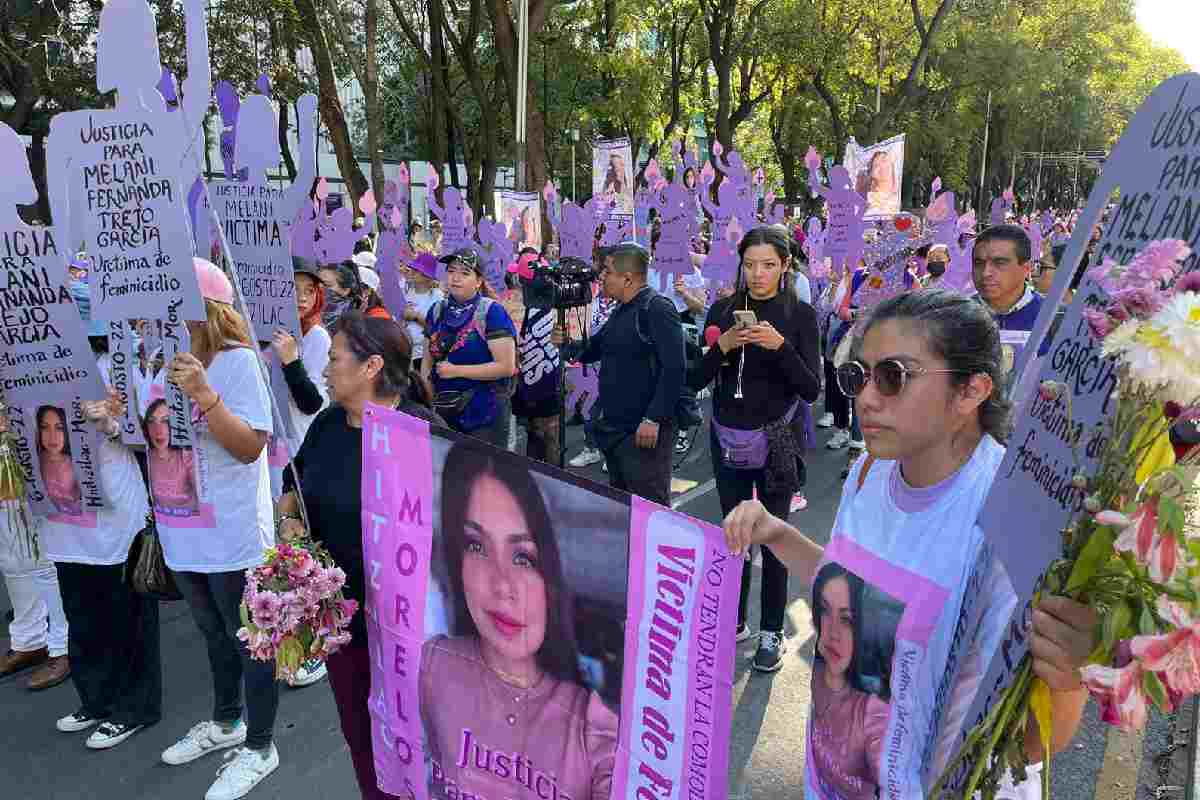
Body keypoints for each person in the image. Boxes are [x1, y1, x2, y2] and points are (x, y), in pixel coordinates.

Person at [723, 290, 1096, 797]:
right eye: (858, 376)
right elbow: (847, 593)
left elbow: (1030, 744)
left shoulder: (1010, 516)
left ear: (971, 391)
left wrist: (1069, 679)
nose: (866, 398)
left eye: (893, 376)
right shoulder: (869, 470)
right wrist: (776, 533)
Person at [275, 312, 442, 800]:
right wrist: (289, 522)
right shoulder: (328, 424)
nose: (325, 370)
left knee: (418, 740)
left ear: (371, 366)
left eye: (333, 359)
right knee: (361, 732)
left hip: (408, 631)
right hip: (342, 623)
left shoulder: (421, 432)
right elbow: (293, 487)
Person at [420, 442, 618, 800]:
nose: (502, 585)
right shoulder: (432, 666)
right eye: (476, 545)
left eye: (523, 557)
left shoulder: (592, 725)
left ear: (549, 575)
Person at [157, 257, 280, 800]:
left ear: (205, 309)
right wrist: (113, 420)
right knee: (213, 635)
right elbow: (154, 441)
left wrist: (206, 395)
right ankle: (226, 721)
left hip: (231, 532)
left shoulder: (238, 363)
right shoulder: (155, 363)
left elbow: (250, 447)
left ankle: (260, 745)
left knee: (249, 640)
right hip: (181, 529)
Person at [691, 225, 821, 671]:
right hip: (727, 437)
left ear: (785, 266)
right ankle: (734, 620)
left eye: (768, 265)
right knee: (733, 535)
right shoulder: (723, 310)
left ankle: (771, 630)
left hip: (777, 441)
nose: (758, 274)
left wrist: (780, 347)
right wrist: (722, 347)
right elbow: (694, 378)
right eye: (750, 265)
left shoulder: (800, 315)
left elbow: (811, 387)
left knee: (773, 536)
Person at [43, 341, 159, 748]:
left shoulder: (120, 360)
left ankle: (135, 707)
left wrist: (112, 423)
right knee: (81, 612)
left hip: (114, 513)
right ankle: (96, 700)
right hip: (63, 516)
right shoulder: (32, 369)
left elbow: (156, 437)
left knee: (124, 614)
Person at [552, 242, 685, 506]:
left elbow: (674, 369)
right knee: (623, 506)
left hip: (643, 430)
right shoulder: (622, 308)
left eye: (608, 271)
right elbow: (594, 349)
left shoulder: (657, 309)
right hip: (616, 428)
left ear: (627, 278)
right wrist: (566, 343)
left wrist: (653, 418)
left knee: (649, 508)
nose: (601, 276)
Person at [809, 562, 890, 799]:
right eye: (825, 610)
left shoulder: (872, 712)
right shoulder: (818, 672)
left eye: (847, 620)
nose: (832, 633)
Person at [423, 248, 518, 447]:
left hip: (485, 414)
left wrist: (456, 371)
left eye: (465, 273)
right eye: (451, 271)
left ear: (478, 281)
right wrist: (429, 398)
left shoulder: (491, 312)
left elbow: (506, 367)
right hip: (444, 411)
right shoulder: (436, 311)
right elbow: (427, 363)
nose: (455, 278)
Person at [506, 249, 564, 465]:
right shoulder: (512, 304)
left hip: (541, 379)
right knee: (542, 434)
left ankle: (546, 477)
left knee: (544, 433)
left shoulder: (512, 304)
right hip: (533, 379)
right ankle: (546, 477)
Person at [971, 224, 1043, 380]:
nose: (986, 273)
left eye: (999, 263)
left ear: (1026, 268)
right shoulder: (956, 317)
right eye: (979, 263)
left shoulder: (1054, 317)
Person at [143, 398, 200, 515]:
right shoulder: (146, 456)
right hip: (160, 523)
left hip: (190, 522)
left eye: (165, 421)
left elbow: (205, 496)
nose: (158, 430)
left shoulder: (187, 456)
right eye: (151, 421)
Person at [402, 252, 445, 371]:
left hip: (424, 354)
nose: (412, 271)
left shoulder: (438, 297)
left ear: (427, 276)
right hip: (404, 351)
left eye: (417, 270)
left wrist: (416, 317)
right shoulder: (405, 293)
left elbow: (438, 329)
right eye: (413, 268)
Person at [37, 406, 83, 515]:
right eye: (45, 427)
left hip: (73, 521)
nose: (52, 436)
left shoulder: (79, 461)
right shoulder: (34, 460)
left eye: (59, 428)